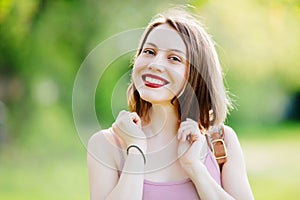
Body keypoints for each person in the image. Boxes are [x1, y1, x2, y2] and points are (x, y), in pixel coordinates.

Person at [87, 7, 254, 200]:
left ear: (196, 75)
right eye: (149, 51)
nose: (155, 64)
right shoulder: (106, 145)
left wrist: (195, 169)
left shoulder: (220, 141)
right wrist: (136, 149)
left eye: (174, 58)